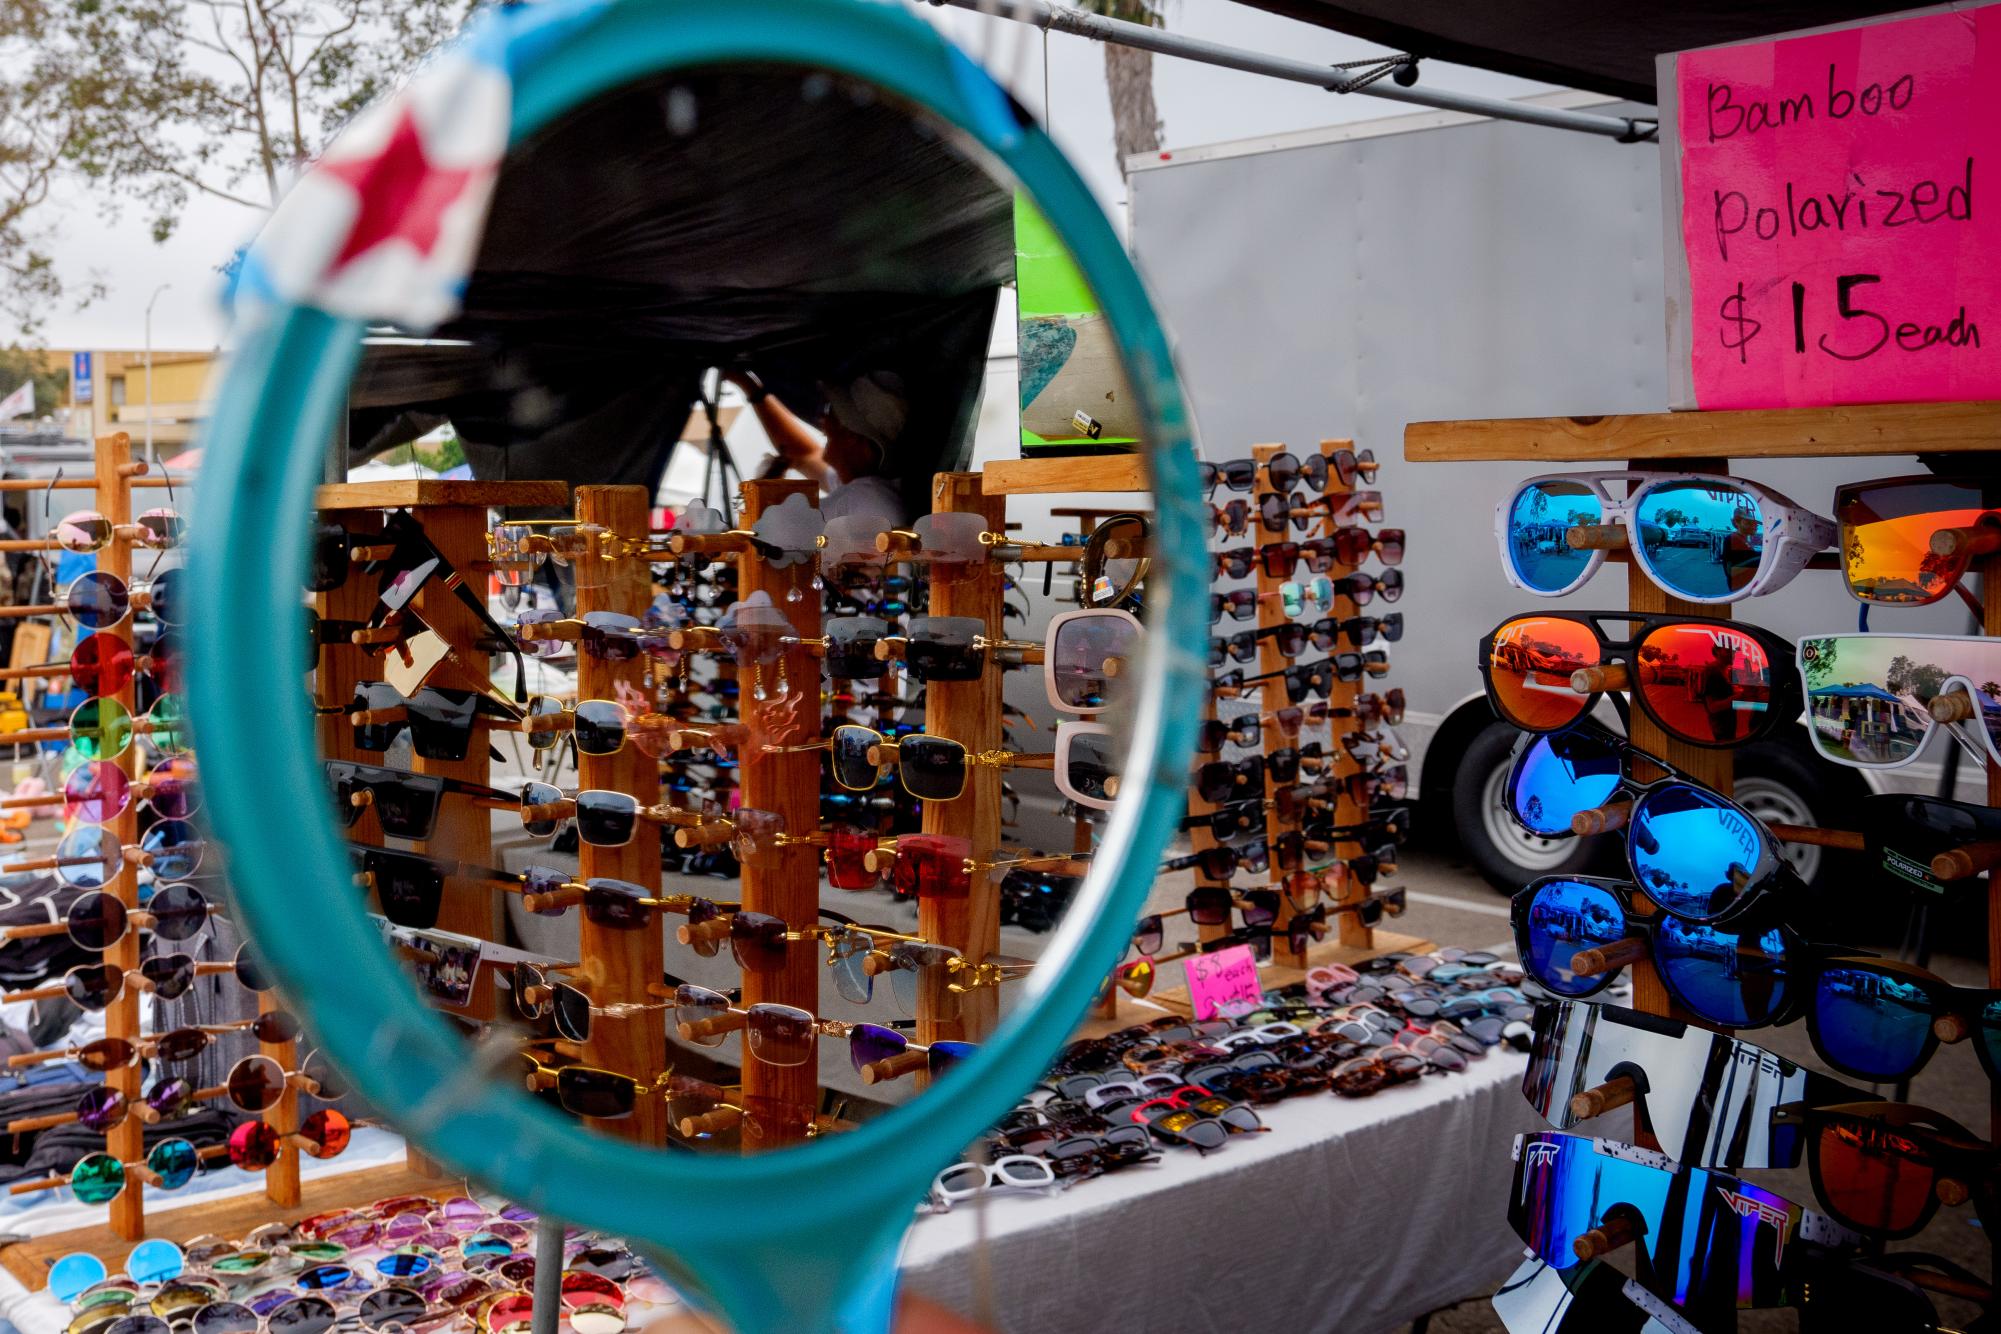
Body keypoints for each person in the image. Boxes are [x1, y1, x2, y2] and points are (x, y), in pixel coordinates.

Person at [727, 369, 911, 527]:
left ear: (852, 435)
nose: (823, 417)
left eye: (832, 410)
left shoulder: (865, 499)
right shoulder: (868, 490)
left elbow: (756, 534)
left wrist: (764, 488)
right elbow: (802, 454)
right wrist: (751, 388)